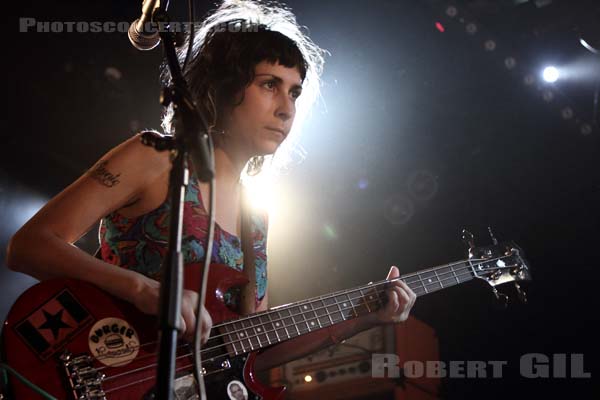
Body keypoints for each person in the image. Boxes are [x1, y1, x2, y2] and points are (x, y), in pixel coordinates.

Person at [6, 0, 415, 374]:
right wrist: (143, 289)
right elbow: (29, 245)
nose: (286, 108)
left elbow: (250, 349)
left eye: (294, 92)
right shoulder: (154, 157)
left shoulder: (256, 215)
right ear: (223, 86)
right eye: (269, 84)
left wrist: (361, 319)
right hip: (95, 366)